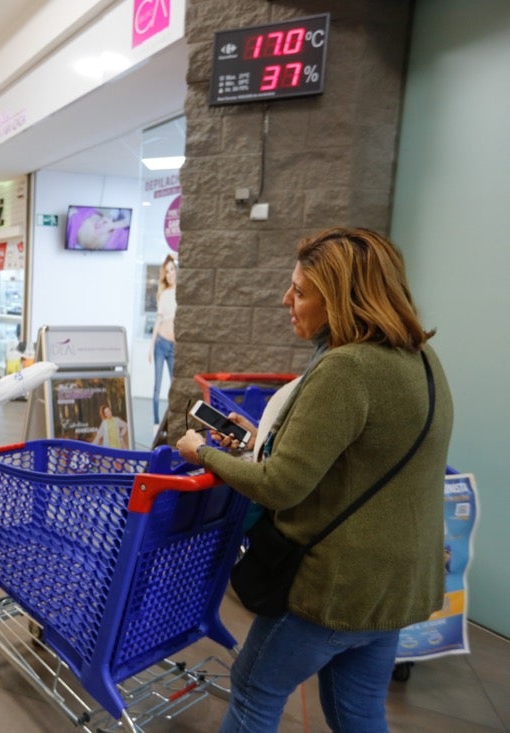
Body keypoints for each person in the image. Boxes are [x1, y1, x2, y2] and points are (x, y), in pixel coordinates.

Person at [174, 227, 453, 733]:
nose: (286, 300)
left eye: (300, 292)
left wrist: (203, 453)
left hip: (334, 588)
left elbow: (281, 486)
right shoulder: (422, 359)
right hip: (394, 588)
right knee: (358, 711)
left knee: (254, 693)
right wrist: (261, 439)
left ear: (342, 298)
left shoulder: (347, 367)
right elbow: (361, 460)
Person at [149, 254, 177, 426]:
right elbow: (158, 321)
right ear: (164, 275)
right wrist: (151, 347)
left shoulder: (181, 292)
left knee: (175, 385)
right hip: (161, 343)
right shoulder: (164, 294)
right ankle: (155, 422)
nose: (170, 274)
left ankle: (171, 421)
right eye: (167, 271)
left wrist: (173, 256)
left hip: (174, 346)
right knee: (157, 386)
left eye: (172, 269)